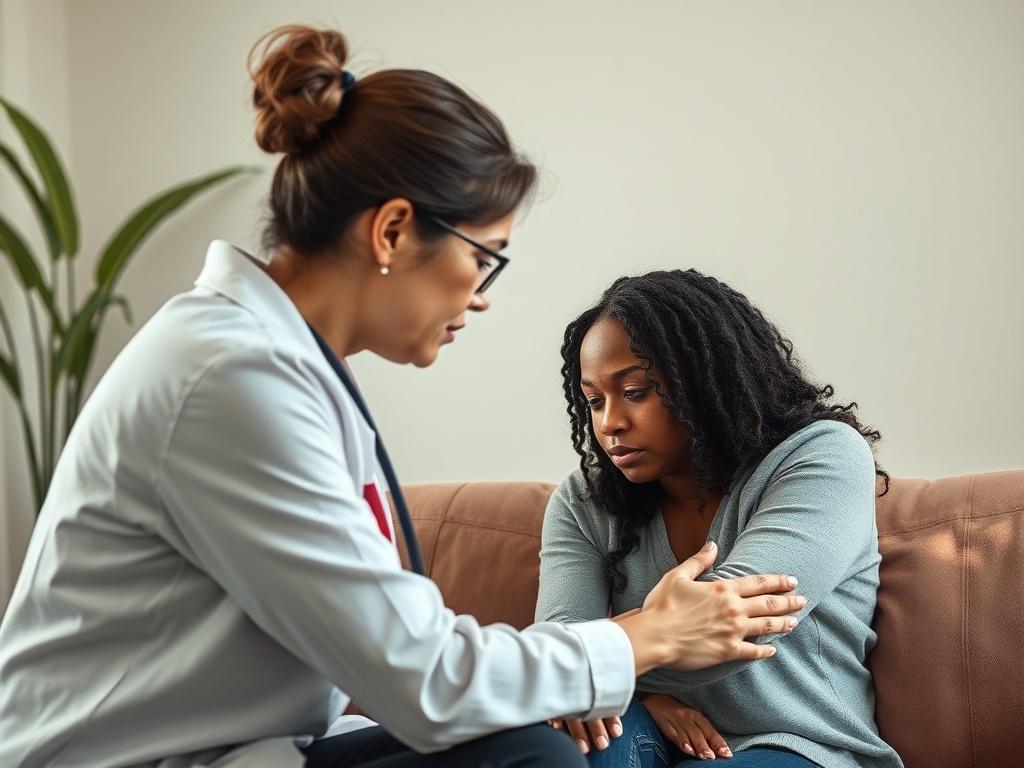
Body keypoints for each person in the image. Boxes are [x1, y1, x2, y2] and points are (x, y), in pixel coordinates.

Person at [0, 26, 803, 768]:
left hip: (233, 749)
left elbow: (406, 663)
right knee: (534, 759)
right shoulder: (228, 380)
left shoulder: (274, 367)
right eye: (484, 258)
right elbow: (424, 677)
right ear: (391, 232)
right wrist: (644, 638)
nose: (482, 295)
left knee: (531, 750)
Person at [537, 271, 904, 768]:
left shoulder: (822, 457)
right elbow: (555, 660)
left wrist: (601, 662)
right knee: (575, 738)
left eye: (637, 391)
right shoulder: (584, 500)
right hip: (649, 728)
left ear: (708, 381)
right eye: (595, 400)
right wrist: (645, 697)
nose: (609, 424)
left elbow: (731, 629)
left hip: (793, 746)